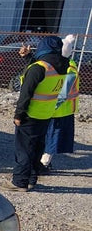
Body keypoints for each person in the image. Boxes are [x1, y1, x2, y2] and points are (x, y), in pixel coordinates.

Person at [2, 35, 68, 192]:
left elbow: (26, 93)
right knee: (37, 149)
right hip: (46, 114)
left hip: (30, 114)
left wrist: (19, 114)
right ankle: (31, 180)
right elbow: (43, 72)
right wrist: (28, 57)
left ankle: (19, 182)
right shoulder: (63, 66)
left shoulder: (38, 68)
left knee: (24, 150)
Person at [40, 34, 78, 173]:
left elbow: (64, 92)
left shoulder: (67, 68)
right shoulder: (67, 66)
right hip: (59, 109)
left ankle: (44, 163)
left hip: (59, 110)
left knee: (52, 138)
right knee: (49, 136)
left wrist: (52, 106)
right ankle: (43, 161)